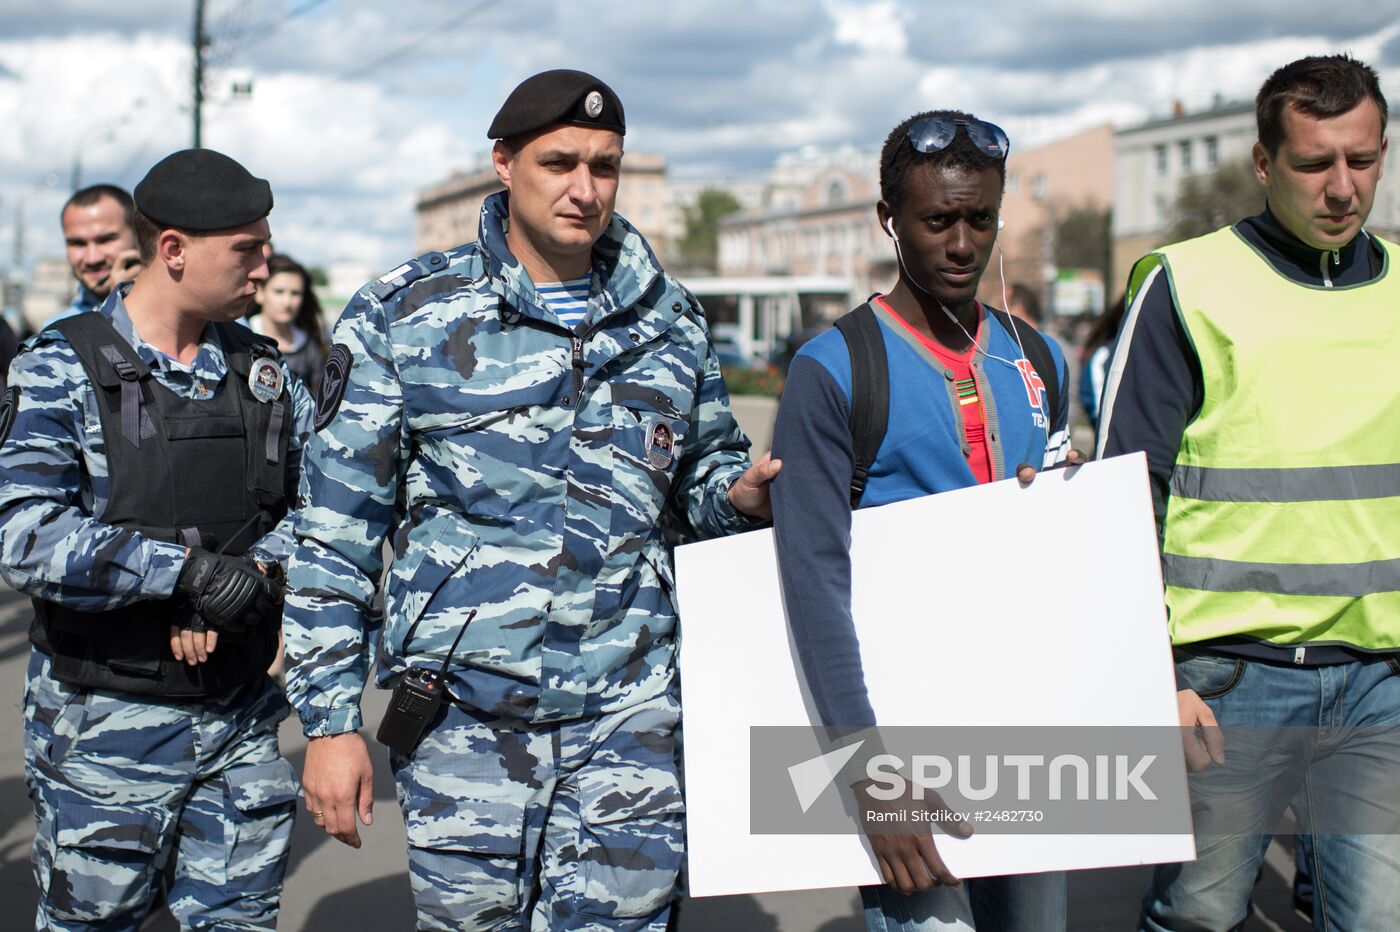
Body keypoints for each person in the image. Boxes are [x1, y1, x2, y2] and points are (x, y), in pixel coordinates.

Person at [284, 69, 780, 930]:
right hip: (465, 723)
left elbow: (699, 481)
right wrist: (330, 722)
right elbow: (335, 532)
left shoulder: (671, 322)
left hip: (628, 718)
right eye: (560, 163)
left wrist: (736, 496)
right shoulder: (406, 315)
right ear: (504, 163)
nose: (585, 190)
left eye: (605, 165)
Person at [1096, 54, 1400, 931]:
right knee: (1199, 917)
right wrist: (1152, 676)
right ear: (1264, 164)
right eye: (1314, 164)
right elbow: (1126, 497)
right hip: (1228, 681)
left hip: (1378, 681)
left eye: (1363, 159)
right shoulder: (1186, 284)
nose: (1343, 187)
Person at [770, 110, 1074, 932]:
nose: (963, 243)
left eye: (981, 218)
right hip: (905, 754)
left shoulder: (1040, 359)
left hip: (1029, 739)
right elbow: (813, 584)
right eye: (938, 220)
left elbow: (1067, 559)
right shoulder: (833, 371)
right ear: (889, 221)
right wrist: (867, 770)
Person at [0, 148, 316, 930]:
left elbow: (336, 509)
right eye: (246, 248)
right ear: (172, 250)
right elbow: (25, 534)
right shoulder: (60, 369)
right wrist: (185, 576)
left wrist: (252, 576)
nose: (264, 265)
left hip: (240, 720)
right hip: (107, 733)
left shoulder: (263, 373)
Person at [55, 184, 142, 322]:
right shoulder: (55, 334)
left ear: (139, 237)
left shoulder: (178, 314)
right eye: (78, 243)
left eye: (105, 240)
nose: (93, 259)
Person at [249, 253, 328, 393]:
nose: (287, 302)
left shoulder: (310, 348)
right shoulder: (241, 338)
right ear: (260, 293)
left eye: (295, 293)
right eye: (279, 292)